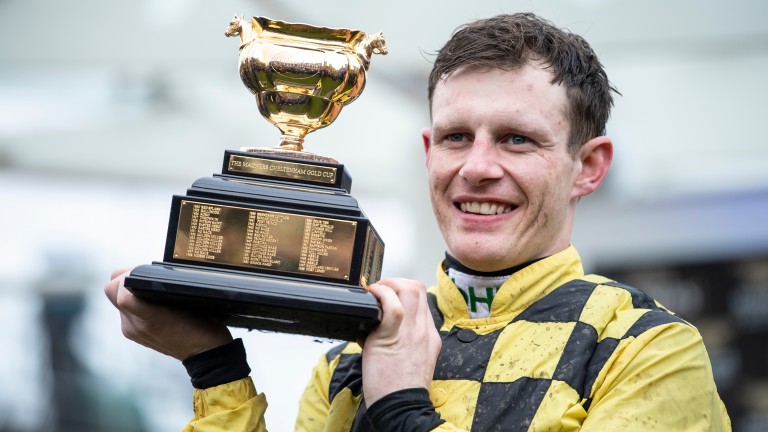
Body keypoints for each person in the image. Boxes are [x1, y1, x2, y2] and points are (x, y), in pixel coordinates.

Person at [105, 12, 731, 431]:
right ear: (430, 153)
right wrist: (213, 365)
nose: (478, 168)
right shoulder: (348, 360)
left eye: (516, 140)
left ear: (588, 168)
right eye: (458, 137)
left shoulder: (647, 349)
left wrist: (403, 405)